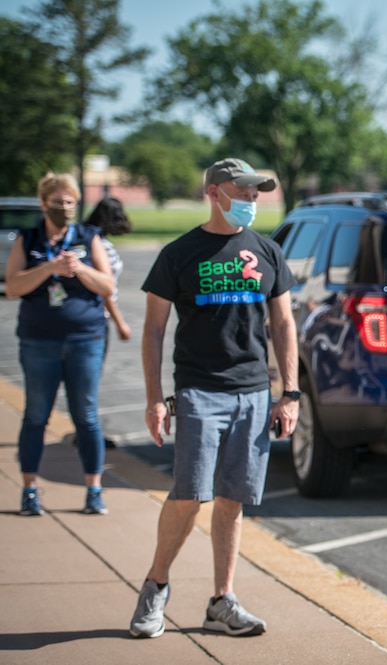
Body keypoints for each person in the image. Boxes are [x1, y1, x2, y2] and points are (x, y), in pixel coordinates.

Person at [128, 158, 299, 639]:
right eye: (241, 191)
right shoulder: (180, 253)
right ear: (214, 193)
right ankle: (156, 585)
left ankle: (222, 601)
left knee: (232, 499)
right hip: (199, 390)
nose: (250, 200)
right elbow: (154, 329)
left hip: (253, 393)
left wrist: (290, 393)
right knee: (189, 495)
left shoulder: (267, 251)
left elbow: (283, 325)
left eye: (255, 193)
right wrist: (154, 399)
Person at [4, 172, 116, 516]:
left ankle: (94, 490)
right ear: (43, 203)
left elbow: (107, 285)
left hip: (85, 339)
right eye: (57, 202)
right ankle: (30, 490)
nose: (64, 208)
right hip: (39, 340)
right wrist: (50, 267)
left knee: (86, 415)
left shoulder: (88, 236)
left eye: (70, 202)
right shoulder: (29, 239)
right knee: (36, 415)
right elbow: (12, 287)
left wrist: (78, 269)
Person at [83, 197, 133, 344]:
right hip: (97, 313)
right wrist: (120, 323)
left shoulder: (85, 239)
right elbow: (105, 288)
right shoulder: (100, 246)